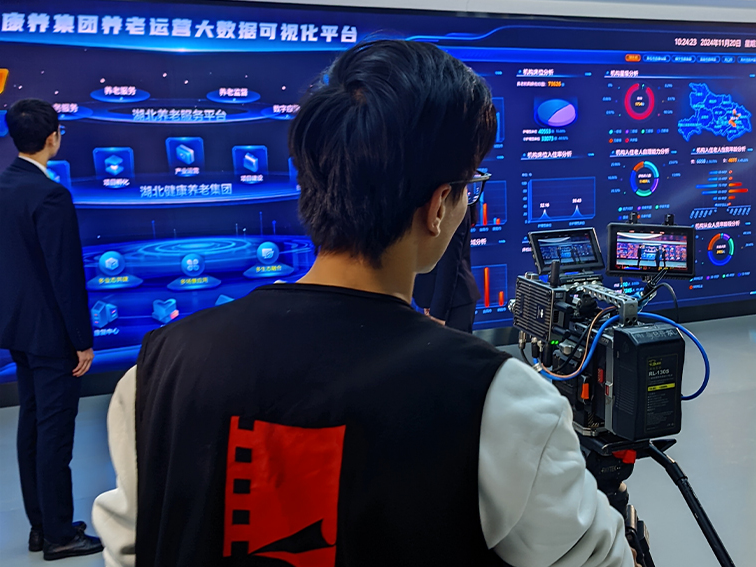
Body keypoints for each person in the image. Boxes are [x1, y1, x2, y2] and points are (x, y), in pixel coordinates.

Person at [92, 40, 636, 567]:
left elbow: (134, 545)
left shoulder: (155, 372)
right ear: (438, 207)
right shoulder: (500, 400)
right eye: (470, 186)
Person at [0, 98, 104, 559]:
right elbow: (65, 275)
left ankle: (42, 526)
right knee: (55, 434)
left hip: (18, 330)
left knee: (32, 424)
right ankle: (61, 535)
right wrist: (82, 341)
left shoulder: (3, 185)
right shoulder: (51, 195)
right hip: (52, 334)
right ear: (52, 138)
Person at [413, 206, 481, 332]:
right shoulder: (446, 204)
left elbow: (449, 263)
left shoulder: (453, 206)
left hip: (454, 303)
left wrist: (438, 313)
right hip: (442, 300)